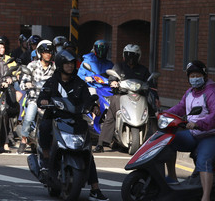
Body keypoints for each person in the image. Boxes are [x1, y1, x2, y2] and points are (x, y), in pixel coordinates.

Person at [36, 50, 109, 201]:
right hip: (55, 117)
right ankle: (45, 158)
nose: (70, 66)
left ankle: (95, 189)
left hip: (75, 120)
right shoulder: (52, 82)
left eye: (71, 64)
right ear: (60, 65)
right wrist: (44, 101)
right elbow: (42, 97)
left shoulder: (79, 83)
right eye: (66, 64)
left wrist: (94, 106)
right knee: (44, 126)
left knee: (88, 152)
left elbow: (88, 99)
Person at [164, 61, 215, 201]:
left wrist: (198, 124)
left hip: (209, 135)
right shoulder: (189, 93)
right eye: (192, 75)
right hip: (193, 134)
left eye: (198, 75)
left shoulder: (211, 92)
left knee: (204, 160)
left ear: (204, 76)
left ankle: (206, 197)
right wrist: (164, 114)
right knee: (168, 141)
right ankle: (172, 178)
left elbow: (214, 115)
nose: (195, 78)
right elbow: (180, 108)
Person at [94, 44, 156, 152]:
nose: (131, 58)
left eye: (134, 55)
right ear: (124, 55)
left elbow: (151, 83)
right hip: (121, 95)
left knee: (153, 112)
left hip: (139, 96)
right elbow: (112, 77)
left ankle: (156, 141)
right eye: (128, 55)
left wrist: (155, 94)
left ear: (139, 57)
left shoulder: (143, 70)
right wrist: (113, 82)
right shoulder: (119, 67)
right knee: (111, 113)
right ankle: (101, 143)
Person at [18, 40, 55, 154]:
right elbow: (23, 82)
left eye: (49, 52)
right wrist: (28, 84)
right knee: (29, 117)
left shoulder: (54, 67)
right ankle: (24, 140)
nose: (48, 54)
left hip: (49, 100)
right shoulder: (32, 65)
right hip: (34, 98)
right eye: (45, 52)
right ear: (40, 53)